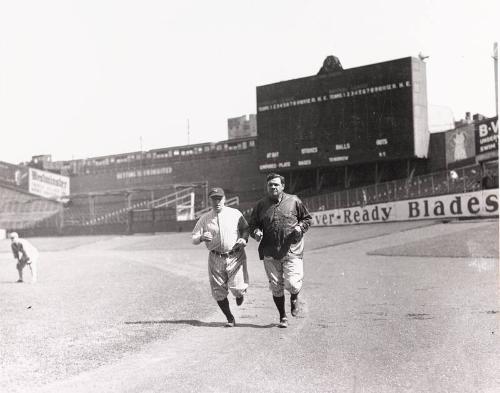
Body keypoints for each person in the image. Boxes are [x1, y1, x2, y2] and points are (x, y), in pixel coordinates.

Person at [249, 173, 312, 328]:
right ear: (267, 187)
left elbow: (307, 219)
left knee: (293, 284)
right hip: (270, 252)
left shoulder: (294, 200)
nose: (273, 187)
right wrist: (256, 232)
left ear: (283, 186)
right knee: (276, 287)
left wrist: (300, 227)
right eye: (270, 185)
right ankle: (282, 316)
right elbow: (252, 225)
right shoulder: (260, 205)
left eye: (276, 184)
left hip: (292, 249)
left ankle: (294, 298)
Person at [192, 187, 249, 327]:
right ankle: (230, 318)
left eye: (219, 198)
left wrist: (244, 239)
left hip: (235, 255)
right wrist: (200, 237)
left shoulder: (234, 213)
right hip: (215, 257)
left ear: (224, 199)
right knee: (218, 292)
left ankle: (239, 294)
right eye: (213, 199)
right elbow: (193, 237)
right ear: (210, 200)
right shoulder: (205, 218)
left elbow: (245, 229)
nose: (217, 201)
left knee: (237, 288)